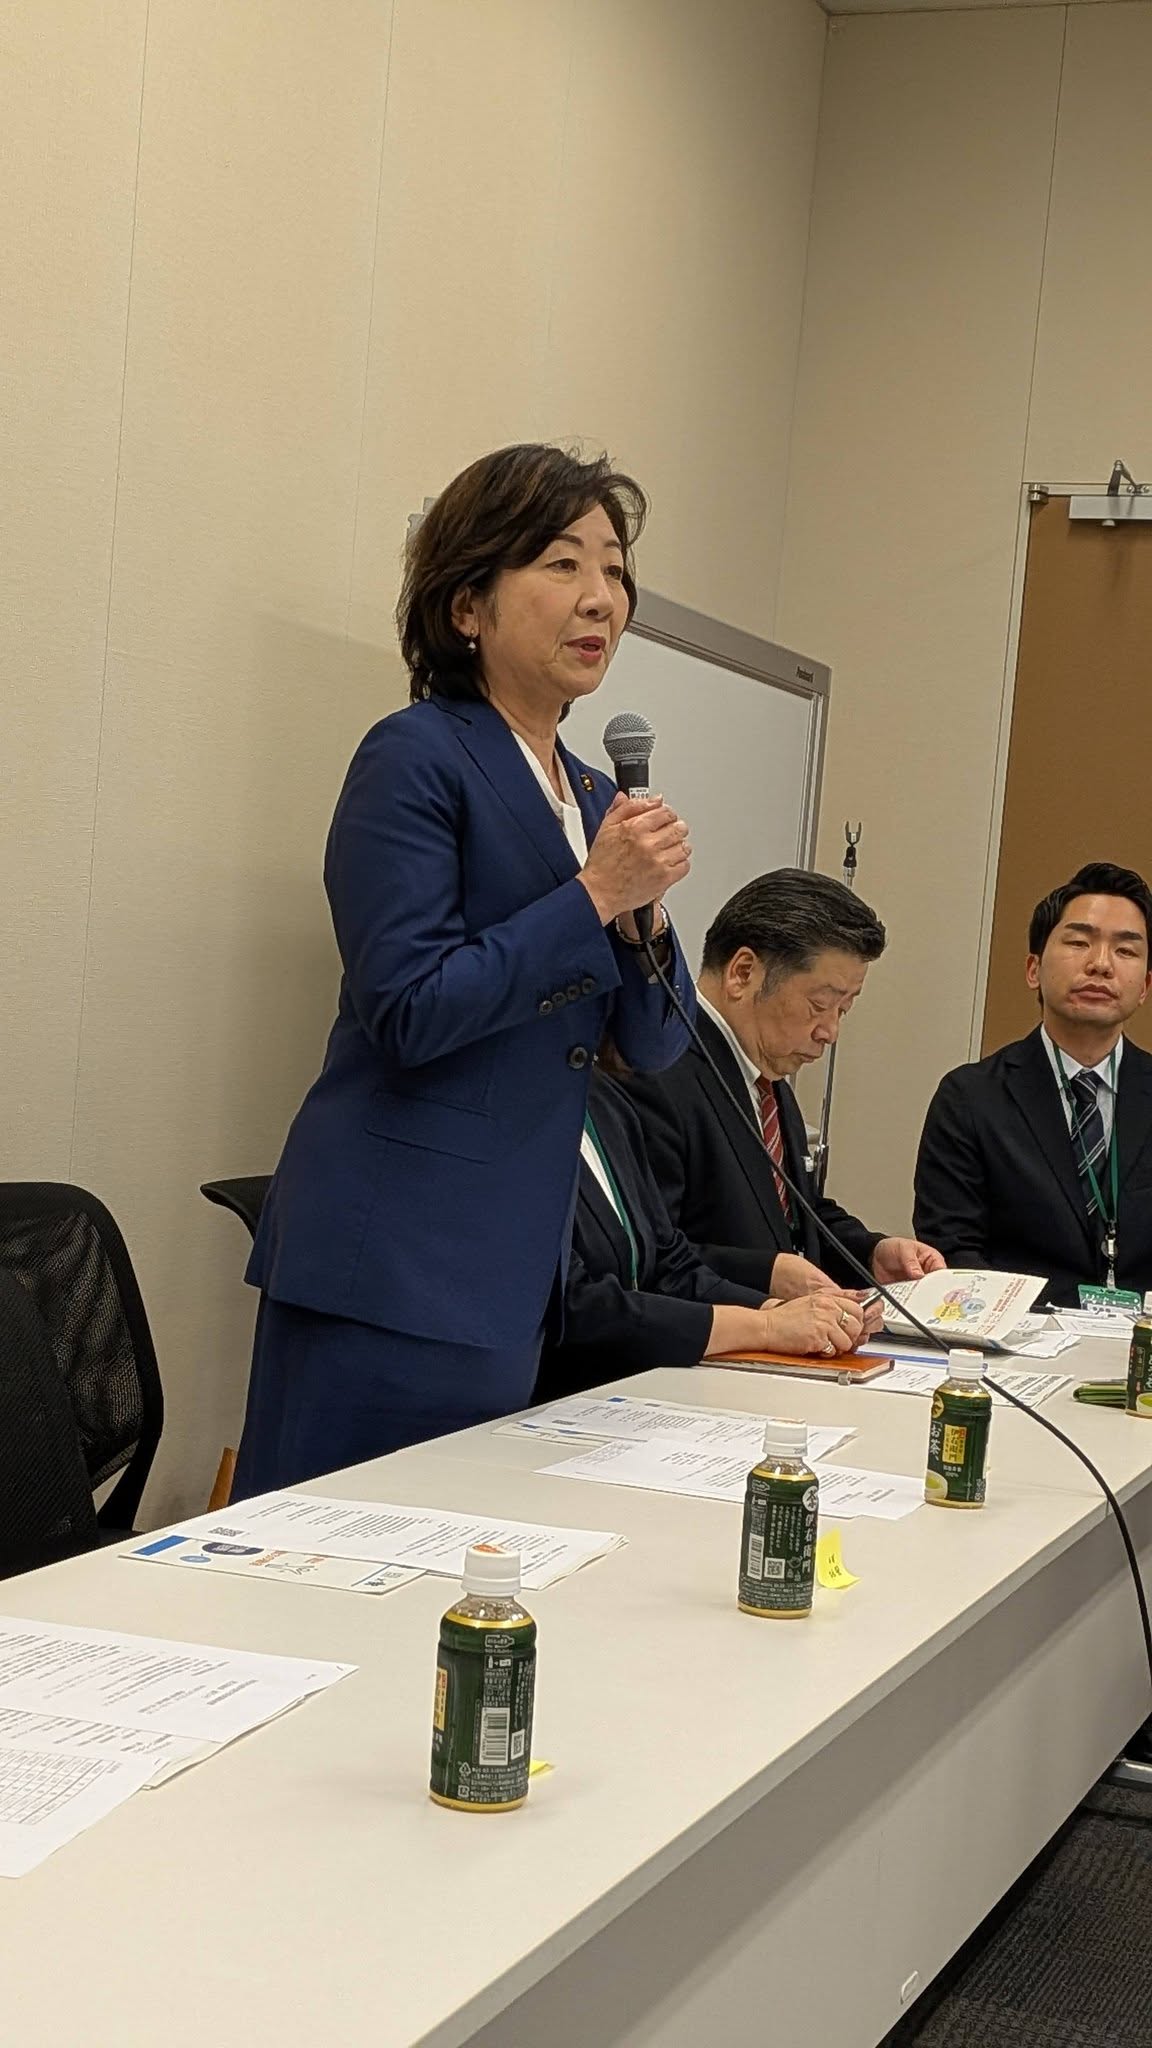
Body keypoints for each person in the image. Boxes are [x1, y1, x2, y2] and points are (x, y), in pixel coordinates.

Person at [232, 443, 695, 1495]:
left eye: (615, 568)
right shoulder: (415, 754)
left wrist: (643, 916)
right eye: (562, 563)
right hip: (391, 1264)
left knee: (461, 1562)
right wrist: (592, 895)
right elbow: (407, 1006)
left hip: (511, 1274)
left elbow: (651, 1043)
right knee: (331, 1558)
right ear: (467, 606)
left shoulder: (594, 791)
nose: (601, 597)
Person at [624, 868, 944, 1296]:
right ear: (743, 973)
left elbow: (794, 1213)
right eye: (819, 1005)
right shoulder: (657, 1071)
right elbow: (645, 1256)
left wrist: (870, 1252)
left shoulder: (765, 1078)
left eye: (843, 1010)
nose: (830, 1032)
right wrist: (766, 1274)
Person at [534, 1070, 866, 1402]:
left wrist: (796, 1314)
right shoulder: (522, 1117)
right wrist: (765, 1326)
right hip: (557, 1401)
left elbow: (670, 1264)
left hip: (639, 1393)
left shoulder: (603, 1098)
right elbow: (575, 1304)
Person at [914, 862, 1152, 1307]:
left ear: (1145, 987)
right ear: (1033, 969)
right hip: (1017, 1334)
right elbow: (953, 1252)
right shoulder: (970, 1098)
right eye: (1079, 942)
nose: (1100, 964)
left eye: (1125, 950)